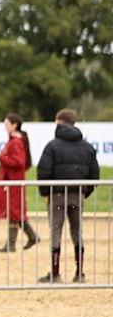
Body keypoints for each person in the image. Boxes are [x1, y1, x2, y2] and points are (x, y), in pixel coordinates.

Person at [36, 108, 100, 283]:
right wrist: (85, 192)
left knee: (56, 232)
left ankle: (55, 274)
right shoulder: (87, 147)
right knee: (77, 232)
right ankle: (79, 273)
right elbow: (95, 174)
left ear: (59, 123)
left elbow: (43, 171)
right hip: (77, 193)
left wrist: (45, 192)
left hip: (57, 194)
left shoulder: (52, 145)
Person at [0, 113, 38, 252]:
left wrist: (1, 157)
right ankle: (13, 243)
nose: (5, 127)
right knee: (14, 212)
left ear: (14, 125)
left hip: (15, 182)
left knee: (15, 212)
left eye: (7, 124)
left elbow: (19, 162)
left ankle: (29, 238)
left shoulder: (16, 142)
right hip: (14, 182)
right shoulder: (16, 141)